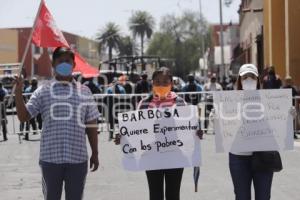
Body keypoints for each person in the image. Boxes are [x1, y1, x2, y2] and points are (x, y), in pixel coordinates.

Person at [14, 47, 100, 200]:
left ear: (74, 65)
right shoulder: (42, 91)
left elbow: (91, 125)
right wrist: (18, 92)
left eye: (68, 61)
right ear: (53, 64)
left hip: (77, 160)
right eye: (60, 61)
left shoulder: (85, 92)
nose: (64, 64)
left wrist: (95, 152)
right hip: (50, 160)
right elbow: (23, 116)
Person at [115, 67, 203, 200]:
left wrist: (197, 131)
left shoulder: (180, 103)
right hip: (151, 156)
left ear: (171, 84)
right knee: (155, 194)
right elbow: (134, 128)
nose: (161, 85)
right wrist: (121, 134)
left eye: (165, 82)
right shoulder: (144, 104)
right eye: (157, 82)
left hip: (176, 155)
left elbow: (189, 126)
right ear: (152, 83)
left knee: (173, 195)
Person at [228, 63, 293, 200]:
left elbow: (278, 122)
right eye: (245, 77)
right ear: (239, 80)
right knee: (241, 197)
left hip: (264, 154)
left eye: (252, 77)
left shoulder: (269, 99)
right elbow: (225, 127)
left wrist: (288, 114)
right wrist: (216, 116)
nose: (249, 80)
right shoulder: (229, 101)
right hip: (238, 156)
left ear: (258, 80)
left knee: (264, 197)